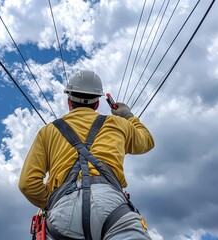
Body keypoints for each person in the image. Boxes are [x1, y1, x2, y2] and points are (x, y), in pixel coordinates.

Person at [19, 70, 154, 240]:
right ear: (97, 104)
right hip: (111, 205)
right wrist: (127, 116)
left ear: (69, 101)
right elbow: (147, 141)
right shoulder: (118, 123)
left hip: (63, 209)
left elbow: (27, 184)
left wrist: (55, 201)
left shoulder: (48, 131)